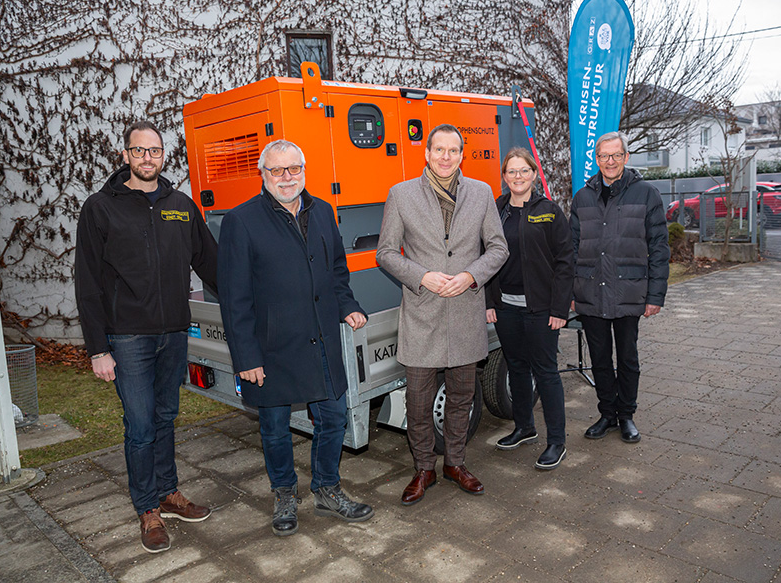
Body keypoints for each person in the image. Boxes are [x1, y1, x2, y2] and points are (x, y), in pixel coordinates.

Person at [217, 139, 373, 537]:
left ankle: (326, 488)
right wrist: (246, 357)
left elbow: (337, 270)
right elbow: (234, 298)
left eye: (293, 169)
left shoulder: (322, 210)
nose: (286, 178)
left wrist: (347, 305)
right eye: (277, 170)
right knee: (274, 427)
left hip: (320, 339)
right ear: (263, 174)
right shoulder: (241, 220)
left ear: (304, 170)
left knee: (334, 419)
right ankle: (284, 493)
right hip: (271, 348)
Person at [75, 121, 218, 554]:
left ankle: (168, 493)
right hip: (128, 337)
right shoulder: (100, 208)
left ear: (163, 155)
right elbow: (87, 283)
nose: (147, 158)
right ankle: (147, 508)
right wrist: (98, 347)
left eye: (154, 151)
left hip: (173, 332)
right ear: (125, 156)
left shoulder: (181, 205)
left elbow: (211, 264)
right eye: (139, 151)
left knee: (164, 417)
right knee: (139, 425)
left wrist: (246, 303)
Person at [376, 123, 508, 505]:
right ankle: (423, 468)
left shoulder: (482, 193)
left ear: (462, 154)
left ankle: (455, 463)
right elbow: (385, 252)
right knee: (417, 401)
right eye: (439, 150)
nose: (446, 157)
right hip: (422, 312)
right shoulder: (401, 195)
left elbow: (498, 248)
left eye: (453, 150)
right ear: (426, 153)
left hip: (466, 310)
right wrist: (422, 276)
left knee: (462, 395)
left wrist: (470, 276)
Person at [569, 131, 670, 444]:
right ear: (596, 159)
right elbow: (571, 248)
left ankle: (626, 415)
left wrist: (655, 296)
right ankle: (606, 414)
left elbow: (660, 248)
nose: (609, 161)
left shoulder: (646, 194)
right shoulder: (582, 197)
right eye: (603, 156)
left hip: (629, 292)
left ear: (626, 157)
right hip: (590, 292)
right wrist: (571, 292)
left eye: (615, 155)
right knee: (599, 358)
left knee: (627, 358)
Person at [485, 147, 573, 469]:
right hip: (506, 307)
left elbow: (566, 262)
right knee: (516, 368)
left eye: (524, 171)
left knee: (546, 373)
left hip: (541, 310)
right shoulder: (495, 210)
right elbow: (483, 257)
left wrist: (559, 309)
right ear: (504, 176)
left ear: (534, 175)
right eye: (512, 171)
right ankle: (524, 427)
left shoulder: (549, 211)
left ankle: (557, 442)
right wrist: (489, 301)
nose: (518, 177)